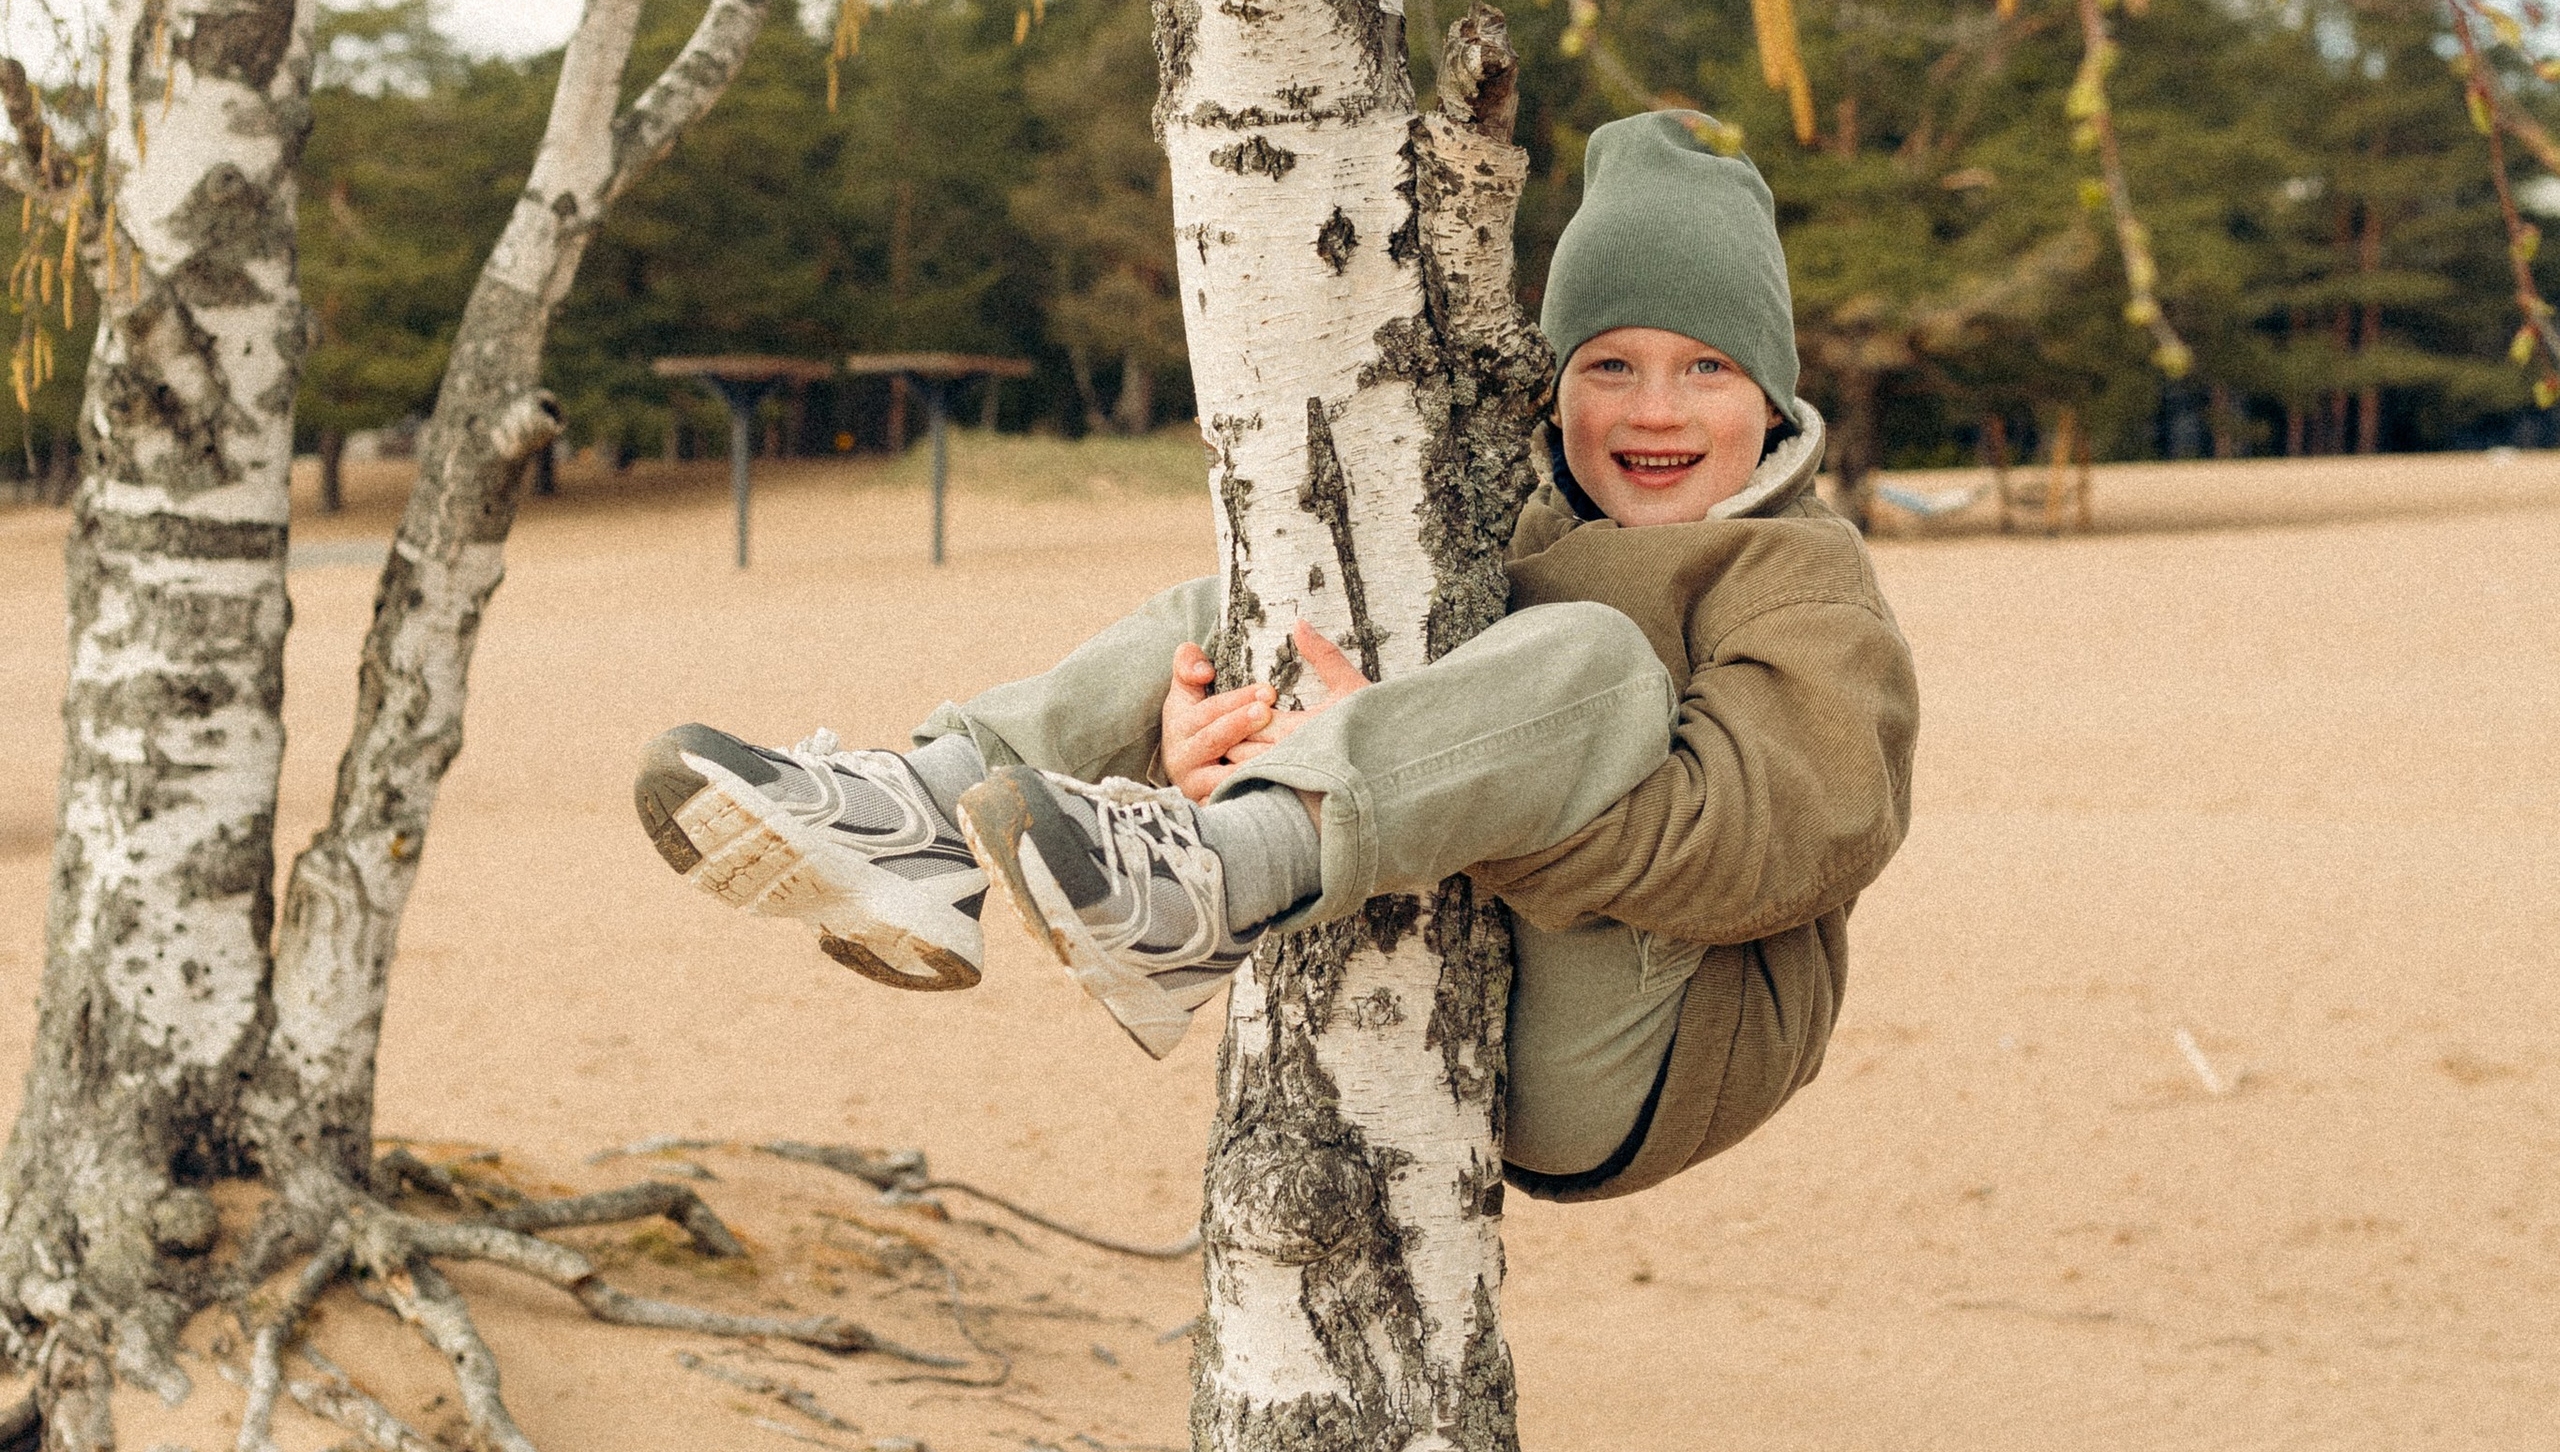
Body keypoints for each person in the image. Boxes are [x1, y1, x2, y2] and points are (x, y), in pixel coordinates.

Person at [633, 115, 1918, 1201]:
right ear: (1549, 387)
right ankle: (922, 809)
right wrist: (1231, 739)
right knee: (1255, 601)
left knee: (1591, 659)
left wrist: (1396, 776)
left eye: (1707, 367)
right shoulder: (1496, 529)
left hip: (1656, 1043)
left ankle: (1221, 880)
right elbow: (1387, 725)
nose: (1653, 409)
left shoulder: (1799, 571)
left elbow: (1781, 835)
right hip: (1473, 959)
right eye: (1609, 365)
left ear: (1775, 398)